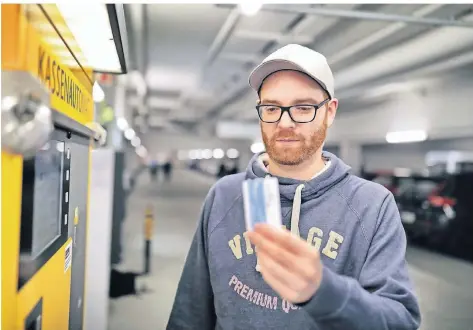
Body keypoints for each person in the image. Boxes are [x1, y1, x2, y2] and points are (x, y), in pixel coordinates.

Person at [167, 44, 421, 329]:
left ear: (330, 112)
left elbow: (400, 321)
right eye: (272, 108)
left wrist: (323, 291)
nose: (285, 122)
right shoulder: (225, 195)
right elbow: (190, 310)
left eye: (303, 108)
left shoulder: (372, 204)